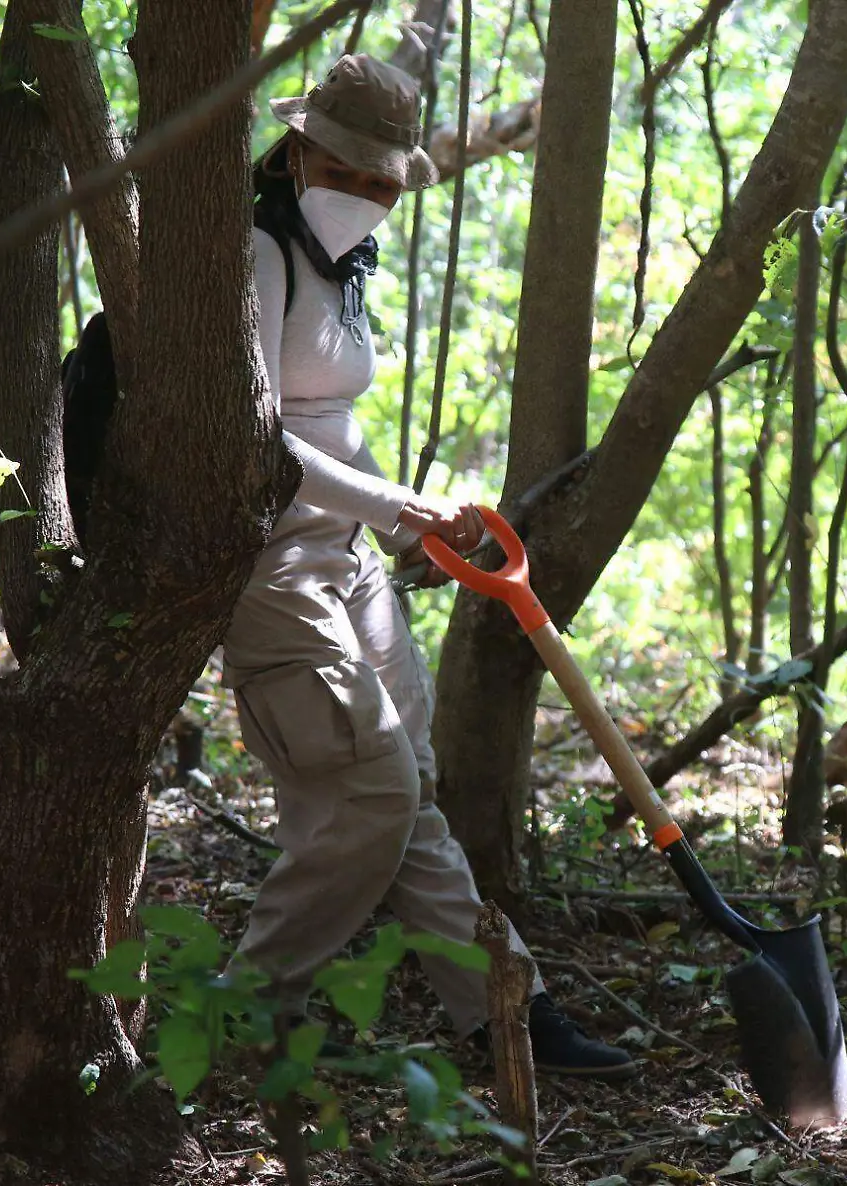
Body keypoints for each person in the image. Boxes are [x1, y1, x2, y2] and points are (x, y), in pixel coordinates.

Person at [222, 49, 635, 1081]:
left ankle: (512, 1011)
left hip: (344, 554)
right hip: (268, 571)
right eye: (346, 171)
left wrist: (414, 531)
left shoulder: (337, 263)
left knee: (408, 793)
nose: (364, 195)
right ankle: (236, 1015)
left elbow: (327, 421)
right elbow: (256, 444)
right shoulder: (252, 252)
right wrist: (399, 508)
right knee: (372, 794)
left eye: (381, 182)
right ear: (301, 147)